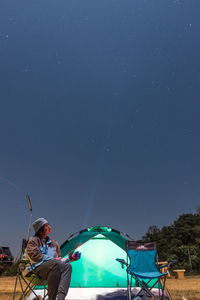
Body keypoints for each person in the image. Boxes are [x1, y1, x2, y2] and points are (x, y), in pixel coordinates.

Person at [26, 217, 80, 300]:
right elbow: (35, 256)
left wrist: (71, 257)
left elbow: (59, 260)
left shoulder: (54, 243)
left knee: (67, 267)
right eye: (46, 225)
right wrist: (53, 260)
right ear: (40, 230)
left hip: (54, 268)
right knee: (56, 265)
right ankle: (52, 298)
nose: (49, 227)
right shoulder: (33, 241)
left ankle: (60, 297)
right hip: (39, 269)